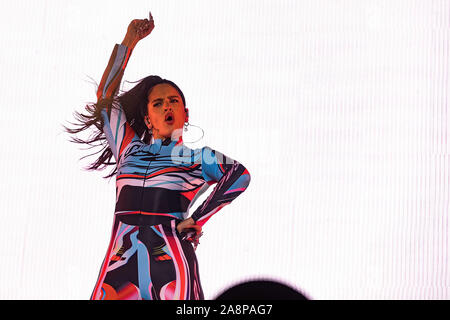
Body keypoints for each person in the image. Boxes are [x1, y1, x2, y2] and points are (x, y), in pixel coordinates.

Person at [65, 12, 251, 300]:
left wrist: (198, 219)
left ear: (185, 114)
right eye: (158, 102)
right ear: (147, 118)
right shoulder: (129, 149)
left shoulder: (196, 158)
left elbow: (239, 175)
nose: (167, 106)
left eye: (174, 101)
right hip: (119, 265)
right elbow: (105, 97)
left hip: (169, 266)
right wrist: (129, 42)